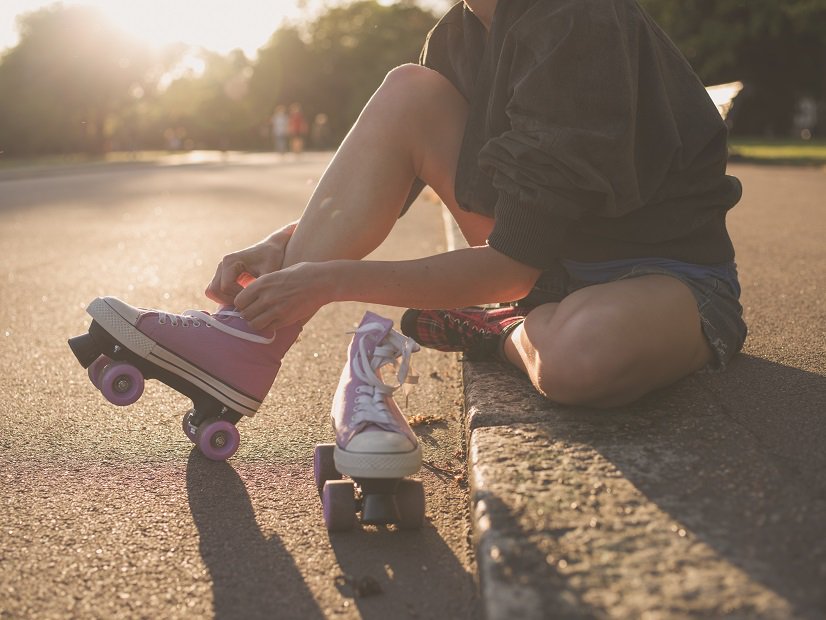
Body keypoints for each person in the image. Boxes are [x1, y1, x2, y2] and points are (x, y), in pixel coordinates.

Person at [206, 0, 747, 410]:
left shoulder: (577, 20)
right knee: (409, 89)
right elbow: (387, 184)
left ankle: (498, 329)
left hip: (663, 274)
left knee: (580, 359)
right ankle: (248, 344)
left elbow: (512, 264)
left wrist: (328, 281)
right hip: (548, 269)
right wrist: (282, 246)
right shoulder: (456, 36)